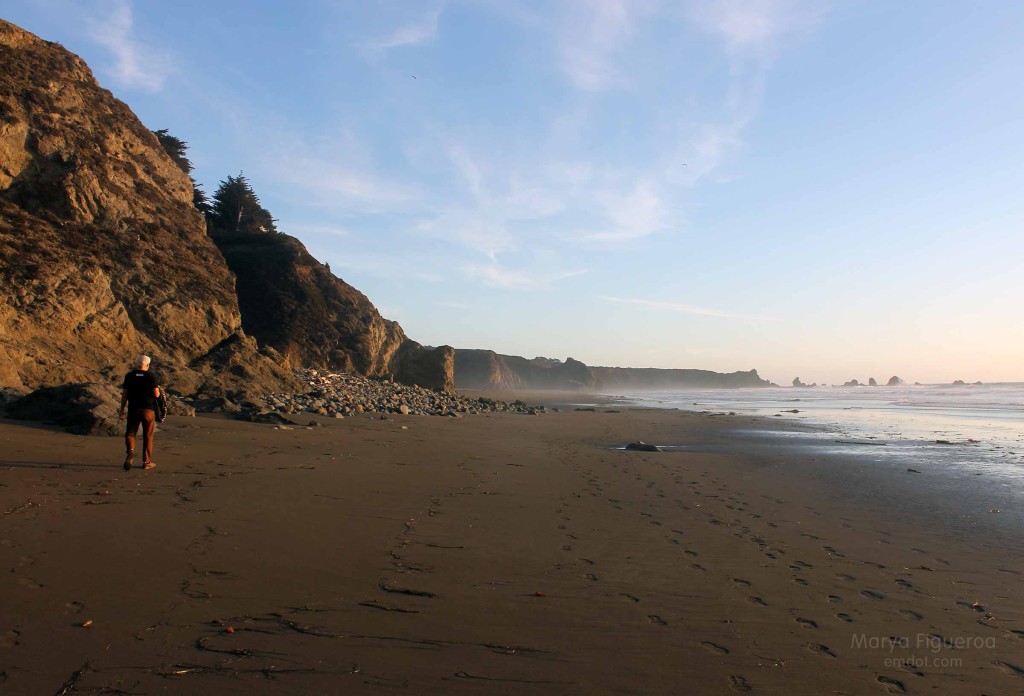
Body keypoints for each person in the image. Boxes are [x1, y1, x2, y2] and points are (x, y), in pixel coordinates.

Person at [119, 354, 161, 471]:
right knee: (148, 436)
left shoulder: (129, 376)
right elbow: (156, 394)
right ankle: (146, 462)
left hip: (133, 409)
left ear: (136, 364)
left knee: (131, 433)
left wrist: (122, 409)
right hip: (148, 410)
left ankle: (131, 451)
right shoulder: (150, 376)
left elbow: (125, 395)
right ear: (147, 365)